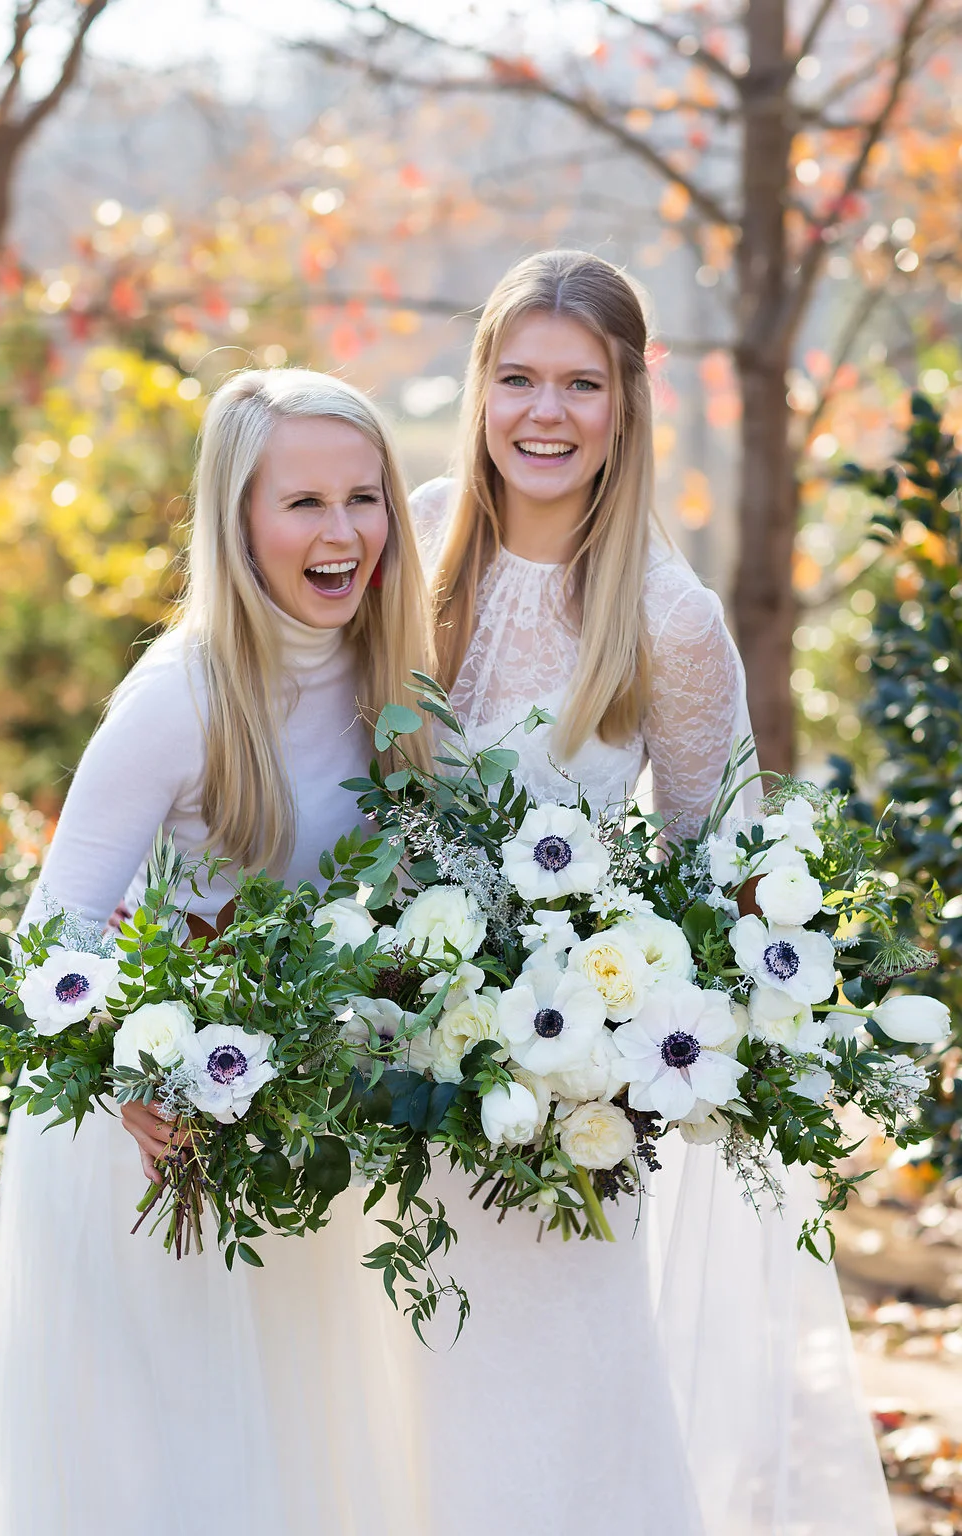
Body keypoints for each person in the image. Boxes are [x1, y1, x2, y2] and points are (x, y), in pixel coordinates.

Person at [407, 249, 896, 1536]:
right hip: (383, 1059)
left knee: (553, 1414)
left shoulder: (664, 618)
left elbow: (719, 871)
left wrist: (626, 1057)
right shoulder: (413, 544)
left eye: (580, 382)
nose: (544, 413)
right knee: (397, 1409)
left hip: (563, 1102)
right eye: (516, 377)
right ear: (480, 387)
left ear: (628, 398)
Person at [0, 369, 433, 1536]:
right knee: (193, 1470)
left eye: (364, 498)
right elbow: (51, 944)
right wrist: (134, 1085)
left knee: (308, 1460)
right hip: (159, 1150)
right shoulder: (179, 697)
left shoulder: (394, 682)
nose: (342, 534)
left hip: (301, 1132)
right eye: (303, 505)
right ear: (237, 523)